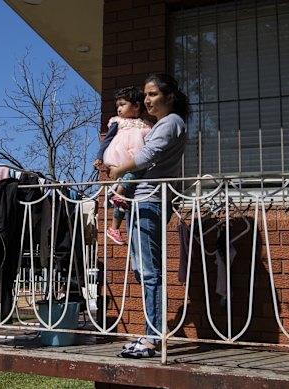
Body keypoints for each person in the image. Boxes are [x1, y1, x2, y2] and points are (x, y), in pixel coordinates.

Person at [109, 73, 189, 358]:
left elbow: (148, 156)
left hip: (150, 200)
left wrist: (119, 170)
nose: (147, 100)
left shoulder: (171, 122)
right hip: (142, 200)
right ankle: (149, 334)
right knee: (143, 271)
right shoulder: (161, 124)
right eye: (145, 95)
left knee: (150, 272)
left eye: (153, 94)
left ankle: (152, 339)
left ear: (170, 96)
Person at [94, 86, 153, 245]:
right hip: (121, 157)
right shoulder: (117, 122)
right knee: (128, 182)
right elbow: (107, 139)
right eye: (117, 106)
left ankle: (114, 227)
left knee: (126, 197)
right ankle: (117, 194)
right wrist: (99, 157)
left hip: (135, 158)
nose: (119, 109)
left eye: (122, 105)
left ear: (136, 106)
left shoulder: (145, 125)